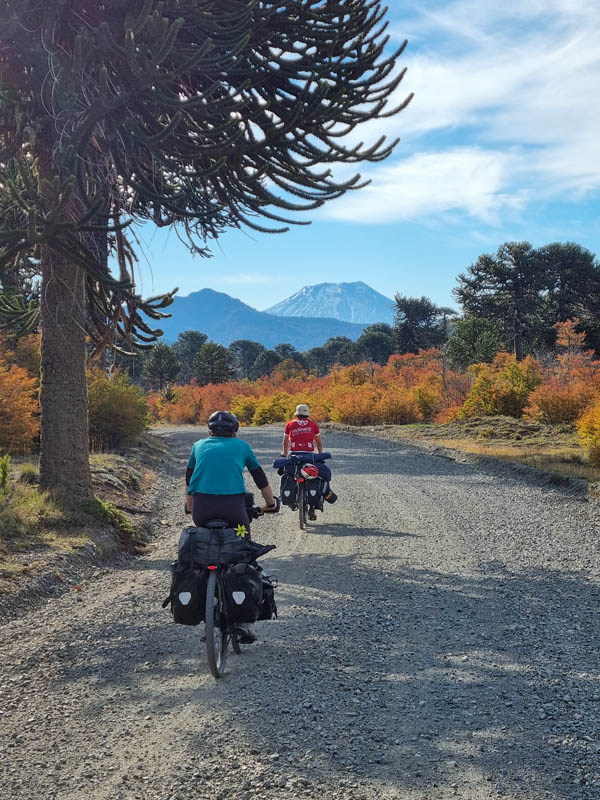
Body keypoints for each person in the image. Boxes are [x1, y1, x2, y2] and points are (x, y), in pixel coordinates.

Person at [185, 410, 278, 642]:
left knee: (205, 551)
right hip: (233, 510)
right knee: (243, 551)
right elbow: (260, 478)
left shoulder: (198, 446)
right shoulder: (242, 447)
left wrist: (189, 506)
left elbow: (189, 479)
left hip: (202, 512)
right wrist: (270, 503)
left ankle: (209, 606)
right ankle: (244, 622)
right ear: (234, 430)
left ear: (209, 430)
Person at [282, 404, 323, 520]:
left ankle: (292, 500)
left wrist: (285, 455)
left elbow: (285, 442)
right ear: (307, 414)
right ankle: (313, 507)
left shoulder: (289, 424)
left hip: (294, 454)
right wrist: (320, 456)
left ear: (297, 413)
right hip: (309, 455)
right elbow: (319, 443)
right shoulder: (313, 425)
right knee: (313, 476)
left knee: (290, 475)